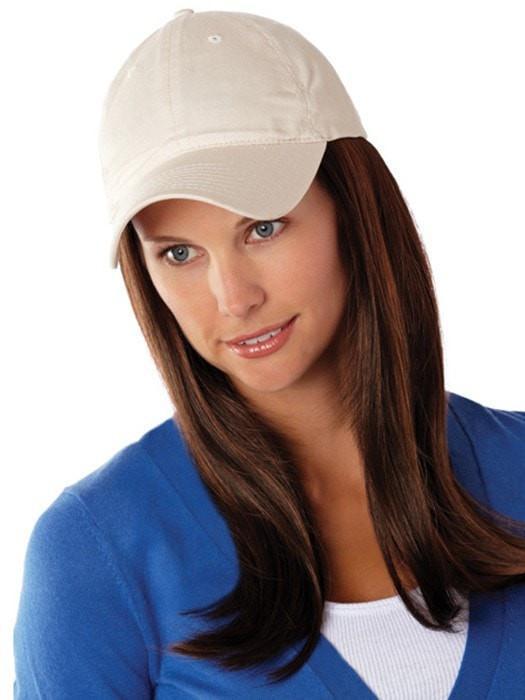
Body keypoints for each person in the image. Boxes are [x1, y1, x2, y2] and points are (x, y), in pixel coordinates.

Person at [12, 8, 525, 699]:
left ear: (354, 208)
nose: (232, 297)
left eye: (262, 227)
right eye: (179, 253)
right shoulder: (98, 551)